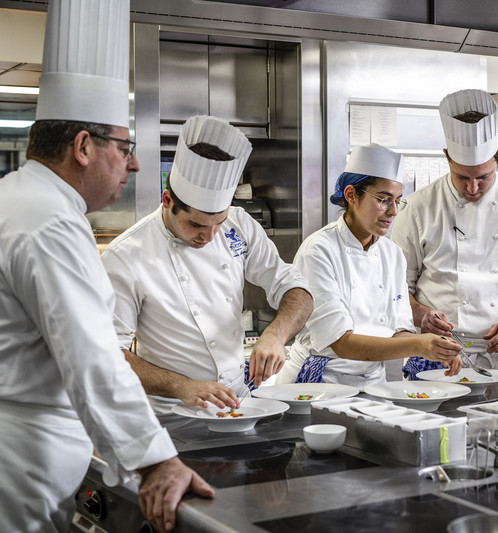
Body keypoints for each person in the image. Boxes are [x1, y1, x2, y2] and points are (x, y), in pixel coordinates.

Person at [0, 1, 213, 532]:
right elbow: (92, 356)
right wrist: (157, 460)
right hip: (19, 469)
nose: (135, 163)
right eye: (125, 146)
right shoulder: (50, 222)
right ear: (83, 147)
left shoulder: (16, 196)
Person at [101, 115, 313, 414]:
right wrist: (181, 386)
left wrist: (276, 335)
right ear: (166, 200)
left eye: (218, 223)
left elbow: (295, 287)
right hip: (171, 412)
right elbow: (110, 353)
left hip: (239, 404)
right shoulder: (125, 255)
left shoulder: (239, 224)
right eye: (196, 224)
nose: (209, 236)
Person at [391, 89, 498, 374]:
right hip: (435, 358)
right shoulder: (418, 206)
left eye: (483, 177)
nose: (472, 188)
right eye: (462, 177)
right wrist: (420, 314)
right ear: (447, 157)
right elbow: (395, 286)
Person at [277, 144, 463, 386]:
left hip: (374, 383)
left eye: (398, 201)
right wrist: (419, 344)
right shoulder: (319, 251)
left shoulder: (392, 253)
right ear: (351, 195)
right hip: (320, 383)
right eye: (384, 200)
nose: (394, 211)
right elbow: (341, 343)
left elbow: (398, 329)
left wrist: (435, 347)